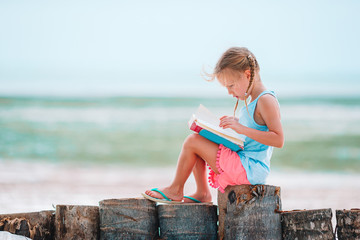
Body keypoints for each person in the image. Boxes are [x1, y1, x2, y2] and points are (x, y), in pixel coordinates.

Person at [142, 47, 284, 203]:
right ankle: (202, 193)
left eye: (231, 85)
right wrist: (237, 124)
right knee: (200, 139)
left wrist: (241, 128)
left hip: (249, 169)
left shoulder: (266, 100)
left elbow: (278, 139)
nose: (230, 92)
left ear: (247, 75)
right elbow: (255, 131)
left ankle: (176, 189)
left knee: (192, 142)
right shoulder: (254, 101)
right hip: (246, 164)